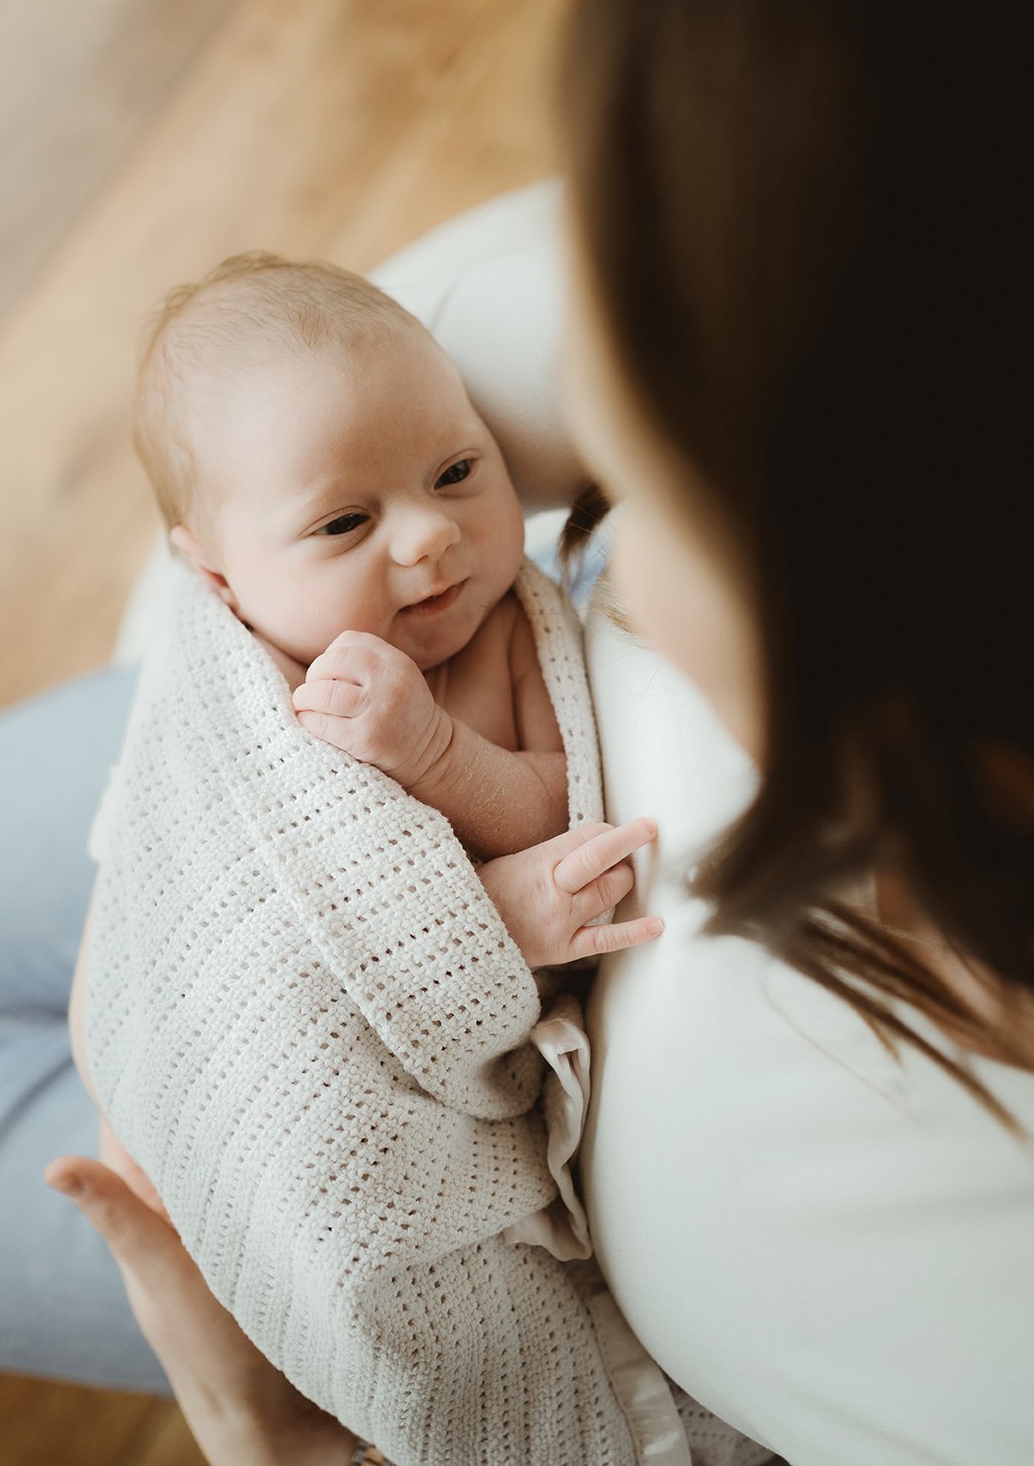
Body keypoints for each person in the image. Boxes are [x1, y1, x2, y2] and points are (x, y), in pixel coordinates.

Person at [0, 0, 1034, 1463]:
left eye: (669, 493)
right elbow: (388, 368)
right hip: (216, 796)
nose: (575, 560)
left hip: (348, 1164)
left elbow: (529, 815)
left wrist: (285, 1446)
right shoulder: (845, 256)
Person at [72, 249, 679, 1465]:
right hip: (201, 1017)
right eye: (344, 522)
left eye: (458, 471)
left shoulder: (504, 637)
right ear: (216, 576)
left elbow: (555, 804)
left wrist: (437, 753)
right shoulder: (234, 675)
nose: (430, 540)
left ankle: (278, 1401)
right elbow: (173, 847)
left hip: (413, 1057)